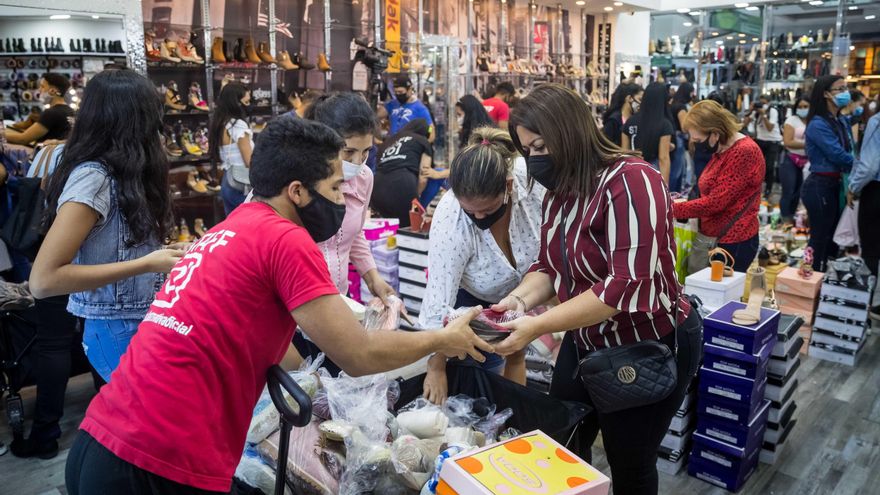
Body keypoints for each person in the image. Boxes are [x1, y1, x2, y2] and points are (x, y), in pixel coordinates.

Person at [64, 115, 491, 495]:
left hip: (100, 441)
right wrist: (443, 338)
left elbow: (257, 339)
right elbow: (360, 355)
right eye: (335, 188)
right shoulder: (286, 240)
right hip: (156, 464)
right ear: (298, 192)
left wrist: (319, 382)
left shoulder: (232, 228)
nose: (343, 200)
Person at [490, 84, 699, 495]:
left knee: (630, 462)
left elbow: (623, 286)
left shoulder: (633, 181)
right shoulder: (561, 195)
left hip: (647, 341)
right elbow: (548, 267)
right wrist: (516, 303)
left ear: (569, 133)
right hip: (587, 337)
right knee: (562, 442)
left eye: (540, 146)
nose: (535, 159)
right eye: (528, 150)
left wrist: (536, 325)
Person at [29, 69, 184, 385]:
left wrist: (160, 257)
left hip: (134, 321)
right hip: (117, 329)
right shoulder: (94, 177)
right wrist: (146, 263)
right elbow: (44, 280)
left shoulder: (120, 172)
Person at [419, 127, 545, 404]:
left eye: (486, 210)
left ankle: (514, 420)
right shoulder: (451, 220)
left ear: (509, 186)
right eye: (470, 211)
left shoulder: (531, 183)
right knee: (479, 369)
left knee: (516, 353)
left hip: (525, 290)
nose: (478, 217)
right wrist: (435, 366)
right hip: (471, 300)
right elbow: (438, 300)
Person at [293, 92, 397, 375]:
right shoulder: (297, 183)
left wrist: (373, 278)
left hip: (339, 304)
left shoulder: (364, 179)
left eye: (366, 152)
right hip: (295, 311)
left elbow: (354, 233)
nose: (359, 161)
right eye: (349, 152)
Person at [673, 100, 764, 272]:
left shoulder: (743, 152)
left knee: (716, 296)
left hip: (732, 241)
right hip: (716, 237)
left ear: (714, 133)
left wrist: (671, 209)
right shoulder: (723, 149)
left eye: (698, 139)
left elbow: (715, 202)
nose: (694, 142)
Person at [803, 75, 854, 272]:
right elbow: (838, 155)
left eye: (846, 88)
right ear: (825, 94)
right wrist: (862, 167)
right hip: (820, 186)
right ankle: (811, 277)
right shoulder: (818, 124)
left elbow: (849, 150)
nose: (845, 93)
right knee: (819, 237)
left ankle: (827, 280)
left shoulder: (840, 120)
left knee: (833, 236)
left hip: (837, 184)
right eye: (839, 89)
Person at [371, 119, 434, 227]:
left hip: (376, 188)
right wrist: (416, 196)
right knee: (408, 231)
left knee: (387, 232)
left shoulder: (388, 141)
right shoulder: (422, 140)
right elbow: (424, 175)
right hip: (403, 184)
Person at [849, 108, 880, 318]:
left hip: (876, 191)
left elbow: (869, 165)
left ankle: (867, 305)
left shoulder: (876, 122)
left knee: (871, 248)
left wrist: (853, 187)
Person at [209, 83, 253, 215]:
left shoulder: (221, 123)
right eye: (246, 101)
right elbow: (249, 161)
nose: (249, 104)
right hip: (242, 184)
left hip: (227, 181)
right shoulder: (238, 125)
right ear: (237, 103)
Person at [622, 82, 675, 184]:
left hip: (631, 170)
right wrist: (665, 186)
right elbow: (663, 158)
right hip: (652, 171)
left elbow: (624, 152)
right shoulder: (665, 125)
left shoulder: (630, 121)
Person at [3, 74, 74, 146]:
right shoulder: (70, 111)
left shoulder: (51, 113)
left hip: (46, 155)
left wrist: (1, 135)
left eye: (42, 86)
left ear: (52, 91)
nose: (39, 90)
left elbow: (23, 139)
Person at [743, 94, 783, 198]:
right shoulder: (756, 112)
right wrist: (750, 110)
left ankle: (768, 189)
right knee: (756, 166)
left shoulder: (773, 111)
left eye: (764, 103)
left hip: (772, 141)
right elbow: (744, 124)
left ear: (769, 103)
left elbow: (770, 128)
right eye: (760, 103)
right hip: (760, 140)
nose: (762, 106)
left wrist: (764, 114)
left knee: (769, 167)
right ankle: (755, 188)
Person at [779, 97, 810, 222]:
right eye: (800, 106)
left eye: (805, 106)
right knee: (788, 191)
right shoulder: (792, 120)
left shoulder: (813, 120)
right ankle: (785, 219)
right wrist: (810, 144)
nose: (802, 109)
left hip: (807, 161)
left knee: (799, 192)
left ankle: (793, 217)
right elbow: (788, 142)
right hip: (790, 159)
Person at [670, 82, 695, 193]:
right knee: (678, 170)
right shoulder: (681, 107)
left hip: (673, 138)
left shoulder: (673, 104)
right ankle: (674, 193)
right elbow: (684, 127)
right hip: (679, 139)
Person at [601, 83, 642, 147]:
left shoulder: (636, 119)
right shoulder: (613, 121)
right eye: (640, 99)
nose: (641, 104)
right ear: (629, 98)